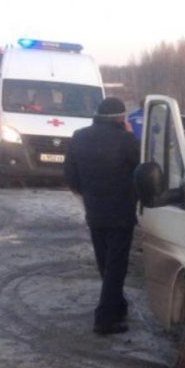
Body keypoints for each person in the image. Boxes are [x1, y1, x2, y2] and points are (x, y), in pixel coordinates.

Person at [64, 97, 140, 335]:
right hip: (121, 213)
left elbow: (70, 176)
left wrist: (87, 193)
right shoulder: (127, 140)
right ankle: (105, 319)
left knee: (105, 262)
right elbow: (142, 170)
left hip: (94, 211)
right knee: (116, 266)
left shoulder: (79, 137)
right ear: (119, 118)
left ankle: (117, 306)